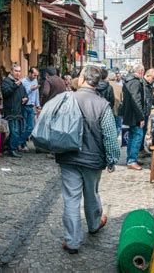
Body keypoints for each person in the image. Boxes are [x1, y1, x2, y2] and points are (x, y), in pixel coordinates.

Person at [55, 65, 121, 254]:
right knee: (92, 194)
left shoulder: (68, 99)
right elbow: (110, 136)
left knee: (71, 199)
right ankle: (93, 225)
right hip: (92, 160)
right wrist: (112, 159)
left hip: (68, 157)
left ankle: (72, 241)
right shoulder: (102, 105)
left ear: (82, 79)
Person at [121, 64, 146, 171]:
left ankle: (131, 159)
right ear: (141, 72)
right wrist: (141, 117)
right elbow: (136, 100)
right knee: (137, 136)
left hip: (130, 113)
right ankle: (132, 160)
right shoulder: (135, 82)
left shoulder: (128, 80)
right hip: (134, 115)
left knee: (132, 136)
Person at [1, 64, 28, 158]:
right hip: (11, 111)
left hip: (19, 110)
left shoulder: (19, 83)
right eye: (16, 71)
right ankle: (11, 150)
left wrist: (26, 98)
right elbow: (6, 93)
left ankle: (7, 146)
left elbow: (24, 93)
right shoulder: (6, 81)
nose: (18, 73)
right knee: (14, 131)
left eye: (19, 71)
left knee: (18, 131)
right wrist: (14, 86)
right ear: (11, 71)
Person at [19, 67, 40, 152]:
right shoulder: (23, 82)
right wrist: (30, 89)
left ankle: (18, 143)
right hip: (24, 106)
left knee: (31, 127)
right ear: (30, 73)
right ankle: (22, 144)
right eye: (34, 75)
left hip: (31, 106)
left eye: (36, 75)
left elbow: (36, 93)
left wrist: (38, 105)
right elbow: (21, 94)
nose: (35, 77)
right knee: (23, 127)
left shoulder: (35, 81)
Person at [140, 69, 154, 154]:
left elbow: (151, 96)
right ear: (148, 76)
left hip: (147, 112)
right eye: (153, 77)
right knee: (139, 133)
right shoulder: (141, 84)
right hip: (142, 112)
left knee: (143, 132)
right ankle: (139, 151)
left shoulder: (149, 84)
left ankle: (141, 149)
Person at [108, 72, 123, 137]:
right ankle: (114, 138)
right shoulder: (119, 87)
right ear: (115, 78)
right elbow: (122, 99)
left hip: (106, 110)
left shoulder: (105, 86)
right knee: (118, 125)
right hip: (117, 109)